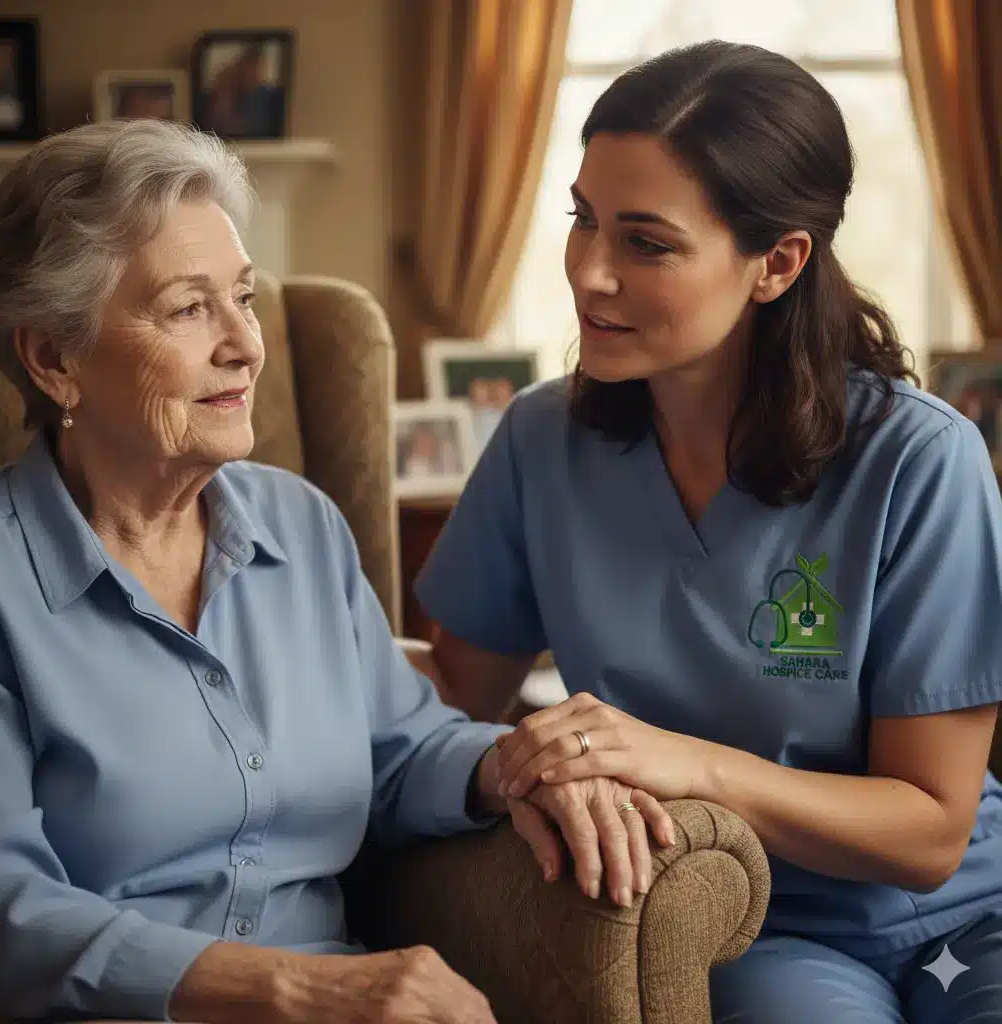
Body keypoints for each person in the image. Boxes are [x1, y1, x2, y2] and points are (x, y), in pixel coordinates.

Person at [0, 119, 676, 1023]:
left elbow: (398, 752)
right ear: (53, 357)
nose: (245, 345)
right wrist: (297, 988)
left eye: (242, 298)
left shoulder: (299, 526)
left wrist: (518, 764)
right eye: (190, 309)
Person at [414, 41, 1002, 1023]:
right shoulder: (538, 443)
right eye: (583, 220)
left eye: (646, 242)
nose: (589, 273)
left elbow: (931, 830)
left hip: (969, 915)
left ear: (775, 263)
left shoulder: (918, 460)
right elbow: (447, 709)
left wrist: (686, 761)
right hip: (754, 925)